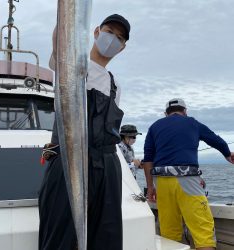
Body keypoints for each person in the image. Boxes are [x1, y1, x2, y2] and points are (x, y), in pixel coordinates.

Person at [38, 14, 131, 250]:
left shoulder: (115, 84)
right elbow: (60, 40)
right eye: (110, 32)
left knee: (106, 236)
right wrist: (68, 14)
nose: (113, 40)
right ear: (97, 31)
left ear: (122, 48)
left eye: (119, 38)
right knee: (62, 234)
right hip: (72, 157)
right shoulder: (73, 63)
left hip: (108, 165)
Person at [143, 98, 234, 250]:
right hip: (188, 179)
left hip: (162, 182)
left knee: (169, 232)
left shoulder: (154, 127)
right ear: (185, 111)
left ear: (166, 114)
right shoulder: (192, 122)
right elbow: (215, 140)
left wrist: (150, 187)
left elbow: (148, 159)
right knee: (202, 229)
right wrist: (227, 154)